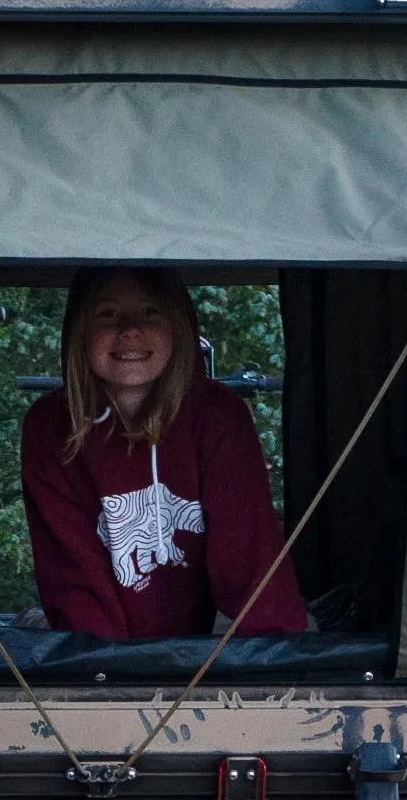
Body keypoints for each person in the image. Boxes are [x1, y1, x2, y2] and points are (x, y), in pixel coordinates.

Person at [20, 267, 306, 640]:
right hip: (100, 657)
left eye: (151, 312)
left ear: (178, 325)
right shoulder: (50, 425)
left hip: (203, 653)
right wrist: (102, 674)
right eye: (107, 314)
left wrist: (274, 660)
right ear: (79, 329)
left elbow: (250, 561)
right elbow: (71, 570)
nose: (130, 330)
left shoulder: (218, 417)